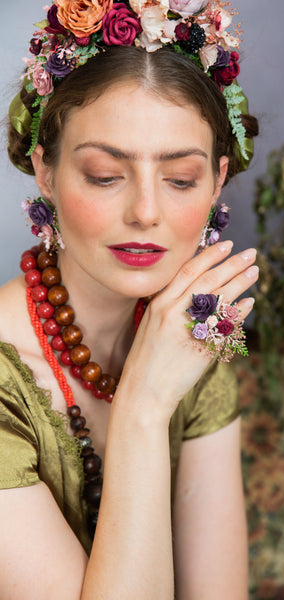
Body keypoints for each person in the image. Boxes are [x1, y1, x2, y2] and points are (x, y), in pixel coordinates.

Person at [0, 1, 258, 598]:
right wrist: (142, 411)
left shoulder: (196, 340)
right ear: (45, 171)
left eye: (181, 180)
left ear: (218, 180)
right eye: (104, 174)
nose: (146, 212)